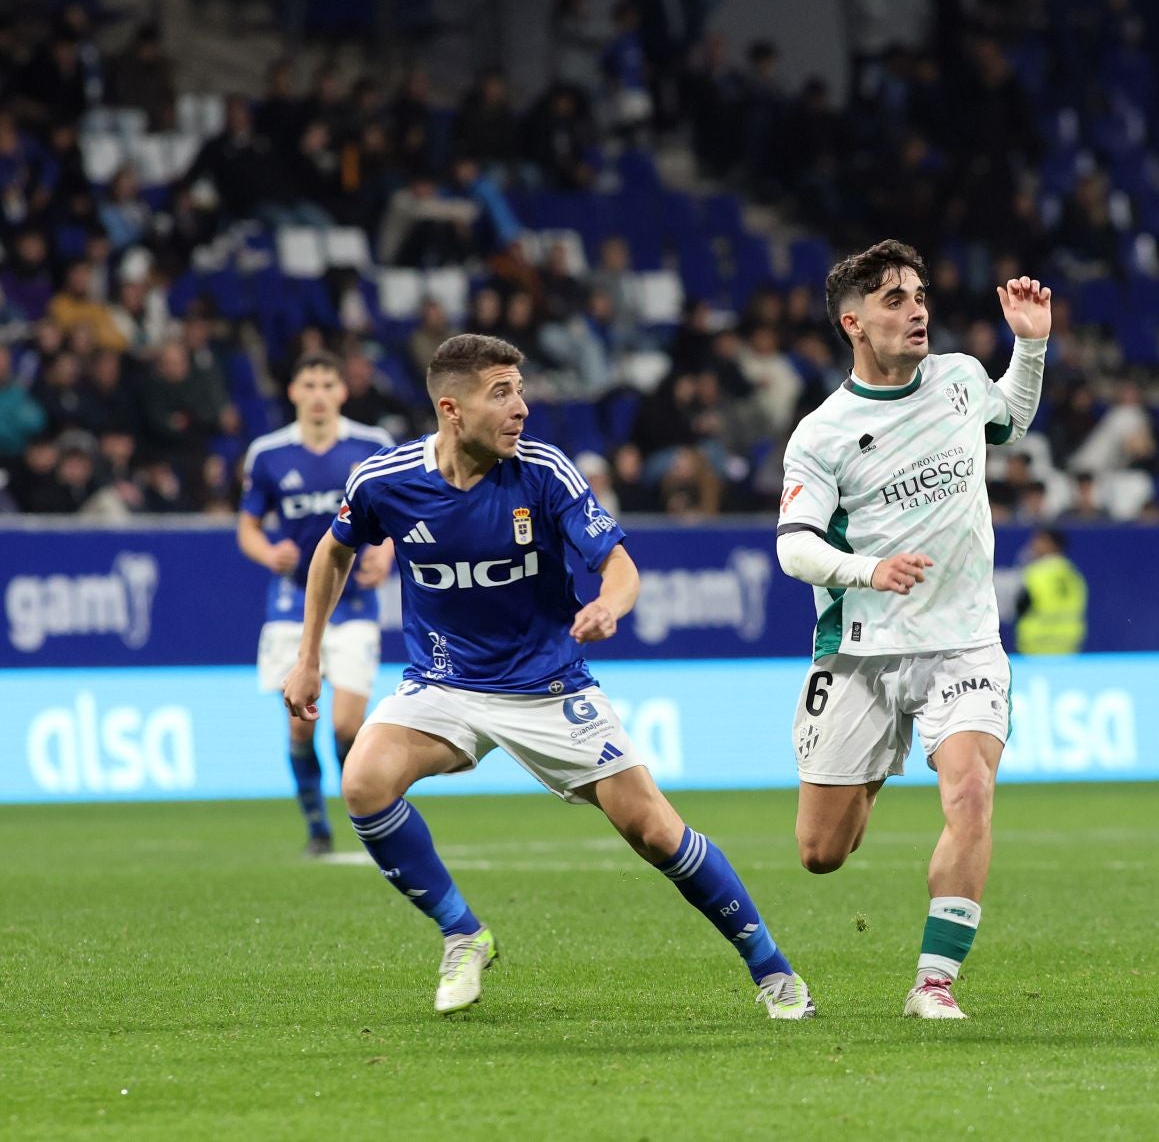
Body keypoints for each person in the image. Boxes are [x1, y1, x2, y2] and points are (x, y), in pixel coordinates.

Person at [285, 333, 814, 1019]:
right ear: (452, 408)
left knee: (655, 832)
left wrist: (608, 607)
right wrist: (308, 657)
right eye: (500, 393)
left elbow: (621, 567)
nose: (521, 408)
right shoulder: (385, 482)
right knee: (362, 781)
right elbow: (333, 552)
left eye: (521, 390)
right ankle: (462, 932)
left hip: (548, 683)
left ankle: (774, 972)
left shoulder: (544, 472)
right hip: (444, 683)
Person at [775, 240, 1050, 1019]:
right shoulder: (822, 433)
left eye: (921, 294)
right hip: (862, 650)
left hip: (963, 640)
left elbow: (1014, 420)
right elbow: (794, 547)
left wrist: (1030, 342)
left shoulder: (962, 381)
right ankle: (880, 756)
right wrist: (869, 570)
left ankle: (933, 984)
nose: (918, 309)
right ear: (853, 323)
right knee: (822, 853)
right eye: (895, 300)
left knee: (970, 792)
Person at [239, 353, 396, 855]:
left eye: (329, 382)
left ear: (342, 391)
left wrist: (386, 553)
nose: (319, 393)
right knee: (300, 729)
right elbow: (247, 525)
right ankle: (316, 827)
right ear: (293, 392)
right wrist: (269, 551)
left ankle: (362, 813)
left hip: (352, 605)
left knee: (348, 724)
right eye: (309, 383)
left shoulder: (372, 445)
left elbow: (400, 511)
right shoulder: (267, 454)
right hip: (292, 606)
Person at [1013, 527, 1086, 655]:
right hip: (1068, 643)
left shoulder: (1036, 573)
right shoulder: (1074, 575)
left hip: (1037, 643)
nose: (1033, 544)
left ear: (1051, 544)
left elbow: (1021, 606)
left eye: (1039, 540)